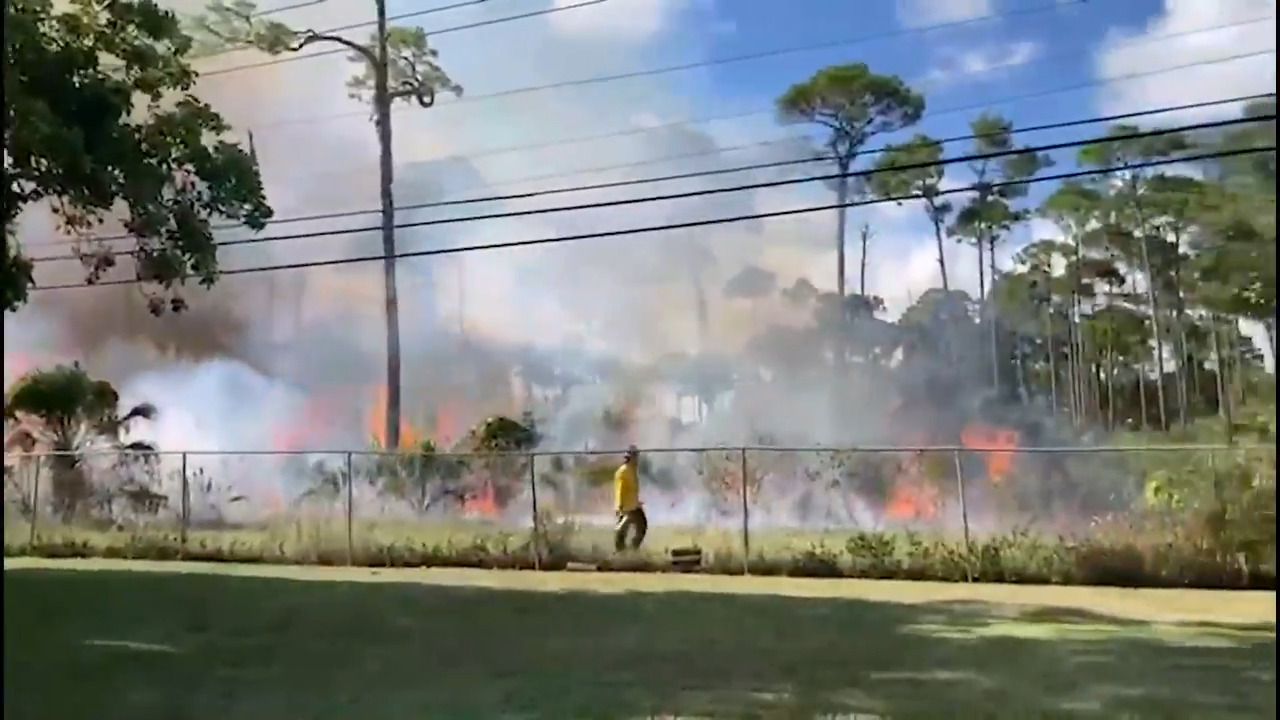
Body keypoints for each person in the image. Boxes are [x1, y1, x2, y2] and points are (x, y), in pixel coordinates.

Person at [613, 445, 648, 551]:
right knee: (621, 532)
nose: (637, 459)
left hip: (633, 505)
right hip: (627, 507)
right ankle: (622, 553)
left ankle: (632, 549)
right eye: (636, 456)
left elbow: (632, 489)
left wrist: (637, 501)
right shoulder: (623, 471)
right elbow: (620, 490)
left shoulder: (632, 470)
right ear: (631, 457)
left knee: (642, 527)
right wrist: (620, 507)